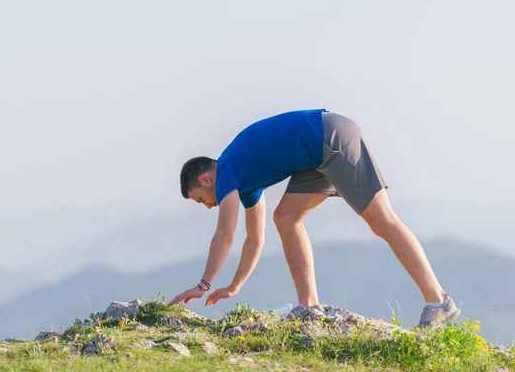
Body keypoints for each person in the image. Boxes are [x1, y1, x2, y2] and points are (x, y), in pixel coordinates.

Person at [168, 109, 460, 328]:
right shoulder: (244, 181)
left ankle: (439, 302)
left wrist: (203, 284)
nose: (207, 206)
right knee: (285, 218)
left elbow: (225, 234)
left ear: (206, 179)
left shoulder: (228, 169)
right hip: (315, 153)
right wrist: (234, 285)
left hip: (331, 138)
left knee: (383, 222)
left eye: (200, 200)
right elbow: (254, 238)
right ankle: (309, 307)